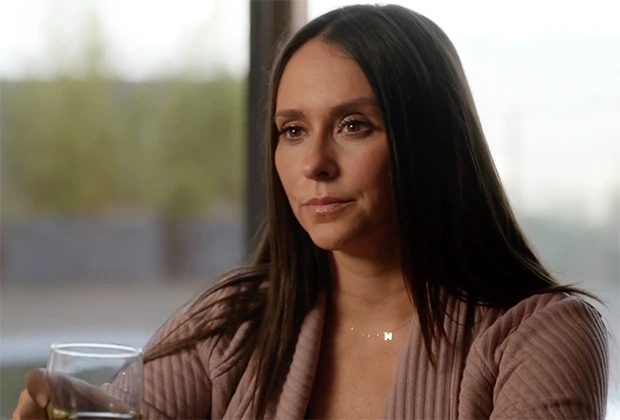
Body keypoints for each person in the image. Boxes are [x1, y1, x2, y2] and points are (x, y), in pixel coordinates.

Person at [14, 4, 609, 420]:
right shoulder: (236, 321)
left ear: (430, 142)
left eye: (354, 125)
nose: (315, 164)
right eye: (293, 130)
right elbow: (125, 413)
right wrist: (70, 405)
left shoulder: (540, 337)